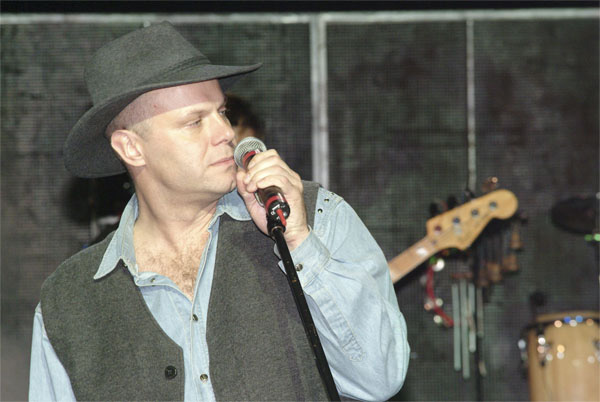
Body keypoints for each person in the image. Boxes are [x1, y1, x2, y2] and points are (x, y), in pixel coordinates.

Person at [29, 21, 409, 401]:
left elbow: (380, 379)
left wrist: (298, 241)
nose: (226, 132)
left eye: (221, 112)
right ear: (131, 148)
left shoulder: (312, 215)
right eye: (195, 121)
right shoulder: (67, 303)